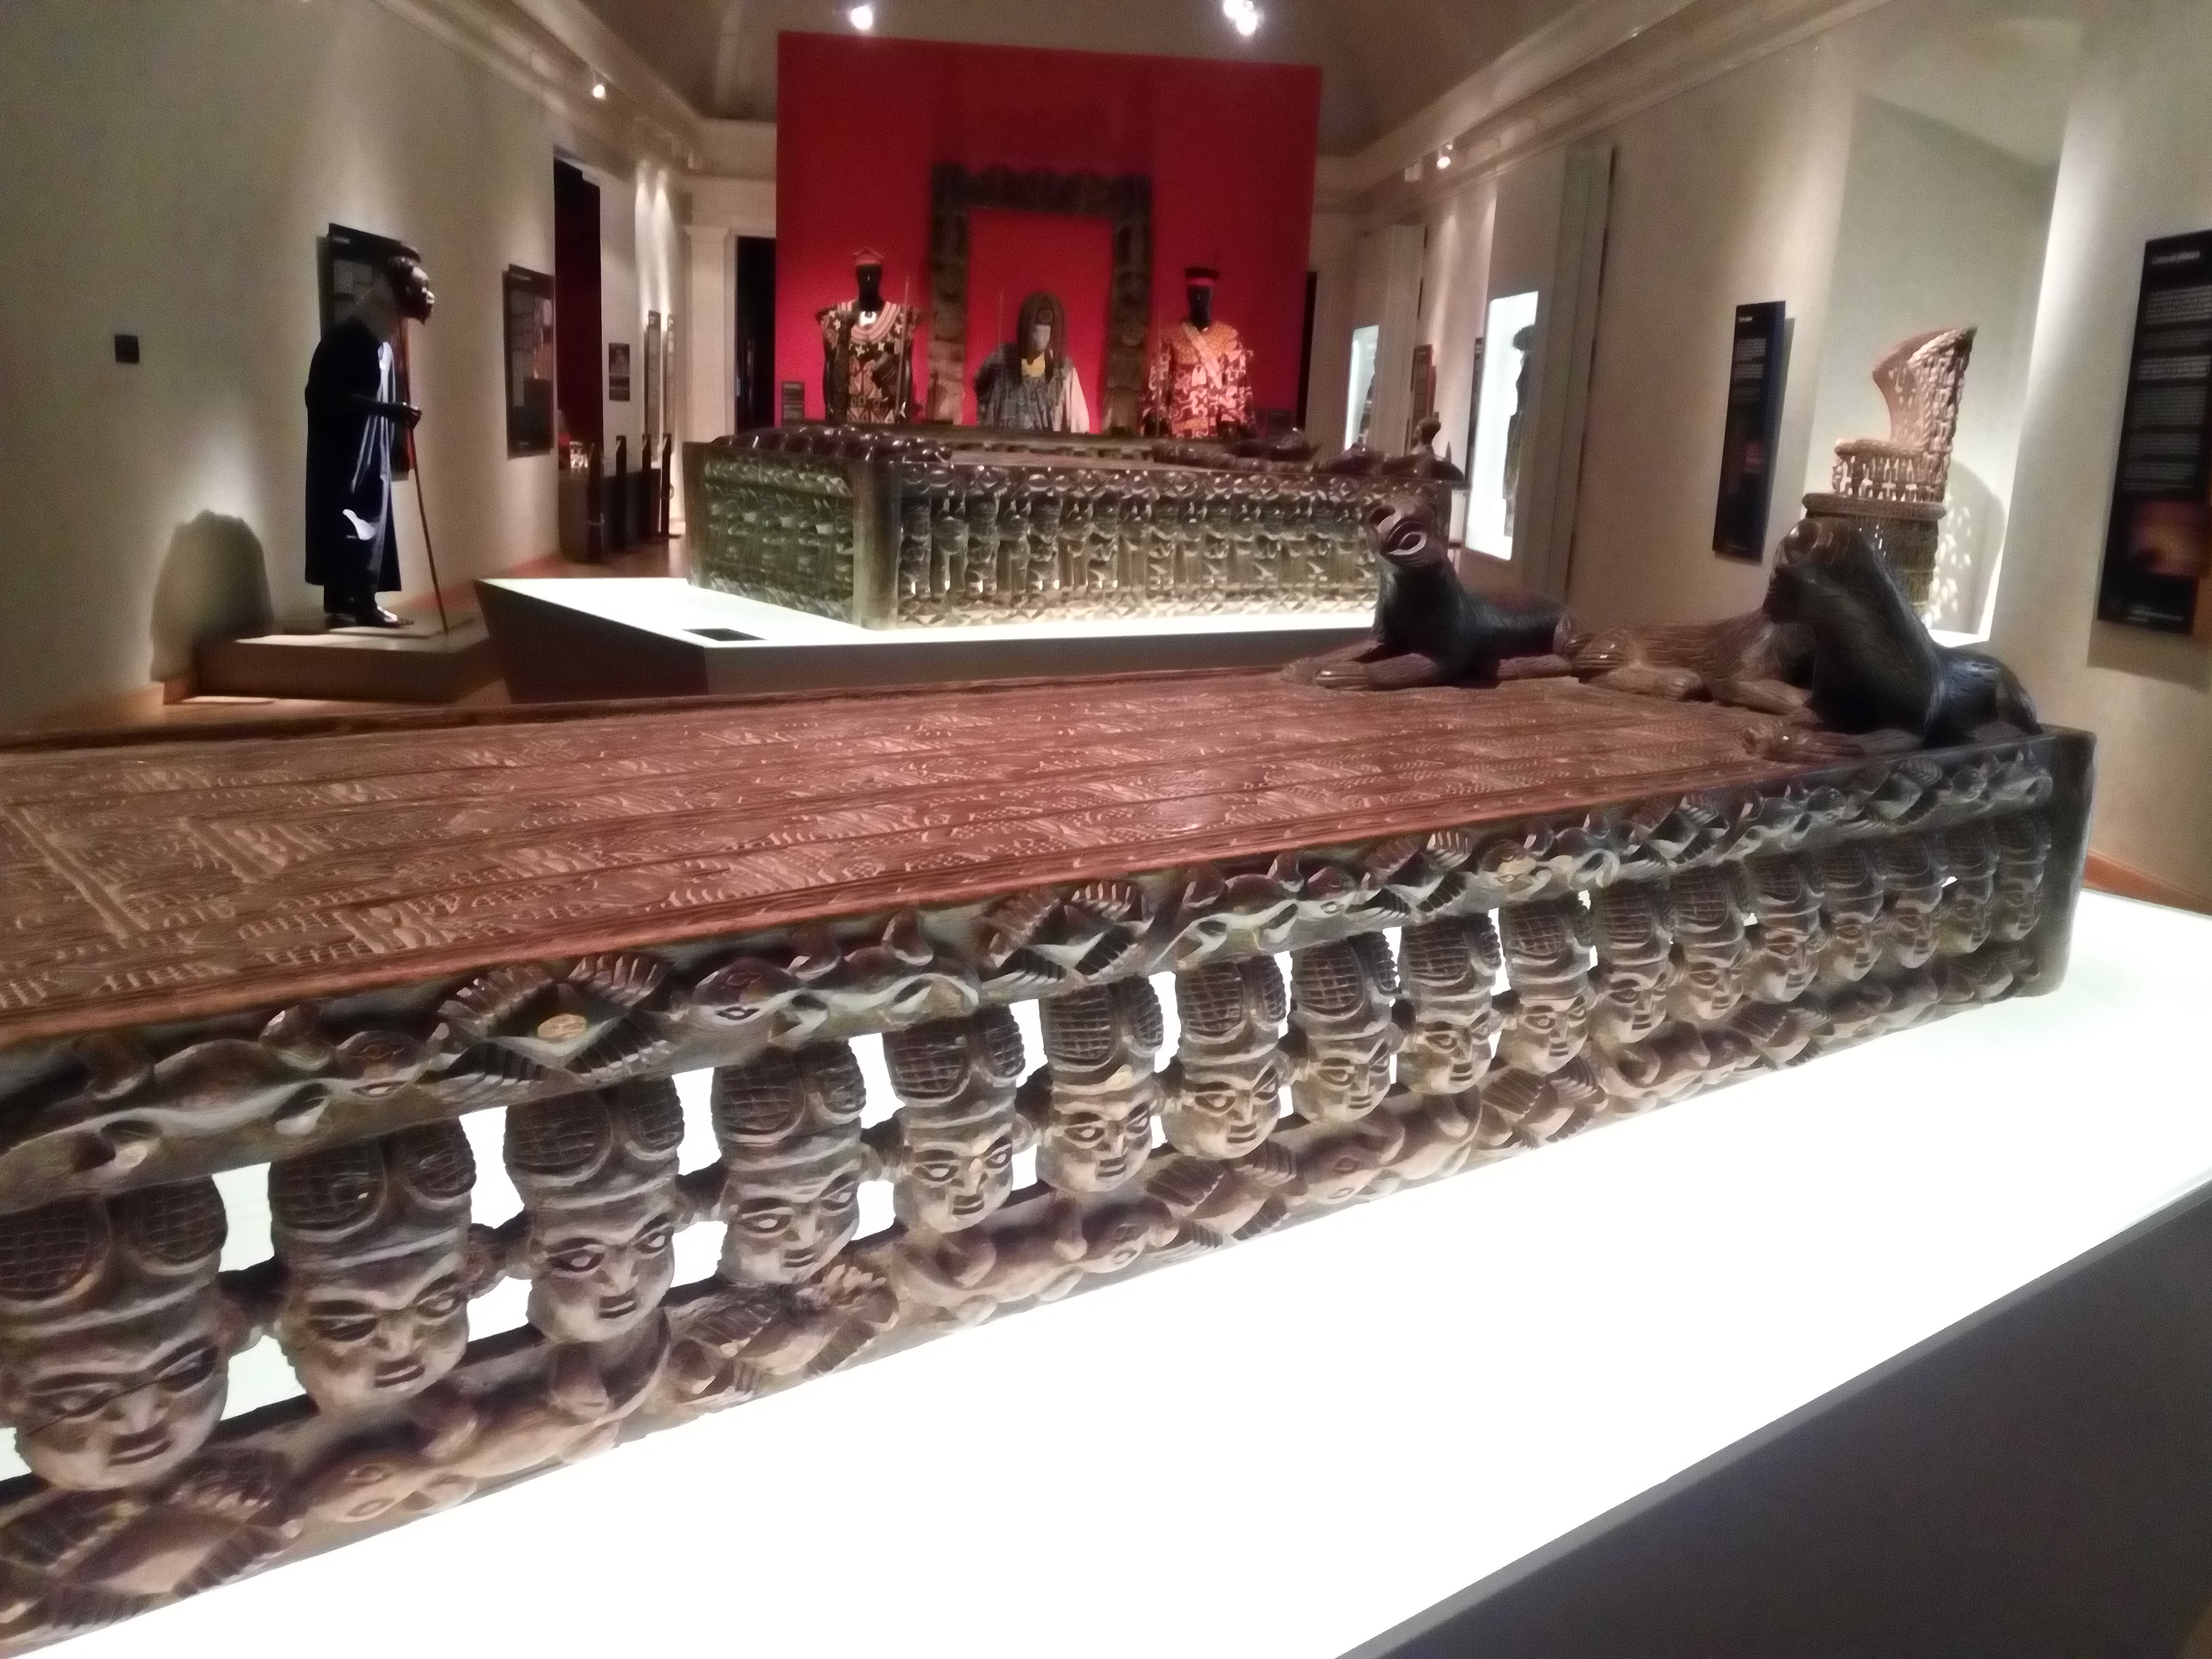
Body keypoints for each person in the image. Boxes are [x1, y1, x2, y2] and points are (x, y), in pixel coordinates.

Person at [304, 247, 434, 627]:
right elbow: (320, 396)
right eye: (419, 288)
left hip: (369, 454)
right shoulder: (345, 341)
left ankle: (357, 598)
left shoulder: (382, 347)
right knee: (349, 516)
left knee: (367, 515)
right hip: (343, 457)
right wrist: (387, 410)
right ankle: (354, 600)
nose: (427, 296)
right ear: (396, 292)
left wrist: (389, 414)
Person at [974, 290, 1089, 433]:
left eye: (1046, 325)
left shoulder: (1063, 370)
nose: (1039, 331)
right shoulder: (1002, 360)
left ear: (1053, 328)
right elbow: (981, 388)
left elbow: (1080, 427)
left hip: (1047, 446)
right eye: (1034, 325)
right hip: (1005, 444)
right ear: (1026, 327)